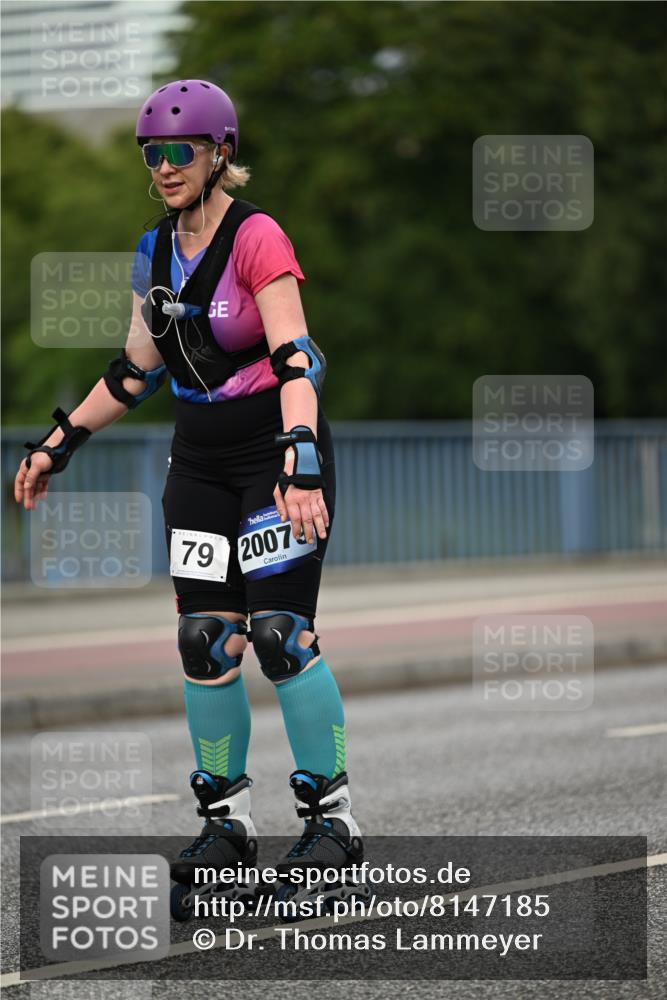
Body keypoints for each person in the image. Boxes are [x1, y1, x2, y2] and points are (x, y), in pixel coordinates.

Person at [14, 79, 363, 917]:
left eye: (180, 151)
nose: (165, 166)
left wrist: (300, 457)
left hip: (270, 450)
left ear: (219, 155)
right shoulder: (153, 250)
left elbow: (294, 360)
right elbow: (137, 370)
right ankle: (226, 826)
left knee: (280, 635)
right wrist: (59, 444)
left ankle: (332, 826)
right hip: (197, 464)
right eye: (153, 154)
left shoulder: (255, 236)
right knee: (206, 640)